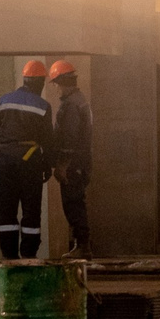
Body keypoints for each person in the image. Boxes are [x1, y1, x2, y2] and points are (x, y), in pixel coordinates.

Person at [0, 59, 54, 260]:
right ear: (40, 82)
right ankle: (29, 254)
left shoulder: (5, 100)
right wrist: (47, 165)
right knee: (31, 210)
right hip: (30, 162)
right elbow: (48, 139)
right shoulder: (43, 106)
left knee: (7, 210)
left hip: (6, 160)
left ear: (24, 80)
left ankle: (9, 256)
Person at [48, 59, 92, 255]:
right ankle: (81, 245)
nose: (56, 89)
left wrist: (62, 164)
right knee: (77, 202)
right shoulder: (81, 100)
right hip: (82, 162)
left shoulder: (70, 105)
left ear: (62, 83)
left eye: (56, 84)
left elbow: (69, 138)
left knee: (72, 204)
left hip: (73, 164)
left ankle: (81, 246)